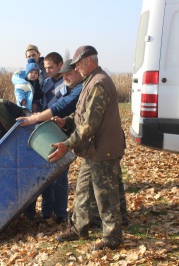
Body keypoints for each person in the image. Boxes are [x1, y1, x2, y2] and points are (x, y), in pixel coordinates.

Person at [49, 45, 125, 251]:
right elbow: (82, 113)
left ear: (88, 62)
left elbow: (90, 124)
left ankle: (112, 238)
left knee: (105, 196)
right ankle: (78, 227)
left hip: (103, 149)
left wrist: (66, 144)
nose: (76, 70)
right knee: (82, 190)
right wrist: (66, 121)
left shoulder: (99, 83)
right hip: (93, 150)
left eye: (78, 66)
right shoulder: (90, 82)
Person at [17, 58, 83, 224]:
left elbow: (64, 106)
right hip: (45, 129)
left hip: (60, 130)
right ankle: (47, 213)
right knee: (46, 174)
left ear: (60, 65)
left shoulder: (71, 85)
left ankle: (61, 214)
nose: (48, 71)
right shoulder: (44, 83)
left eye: (51, 67)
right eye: (45, 68)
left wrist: (37, 118)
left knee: (59, 174)